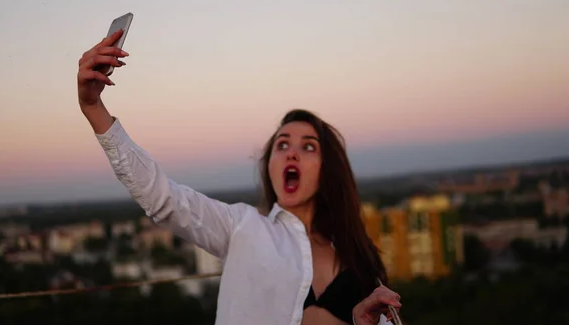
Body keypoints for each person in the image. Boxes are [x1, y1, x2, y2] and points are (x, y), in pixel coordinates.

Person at [76, 29, 402, 325]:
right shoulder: (240, 227)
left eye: (308, 147)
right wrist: (93, 107)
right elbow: (161, 198)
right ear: (270, 165)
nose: (291, 152)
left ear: (328, 169)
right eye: (282, 144)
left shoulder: (358, 262)